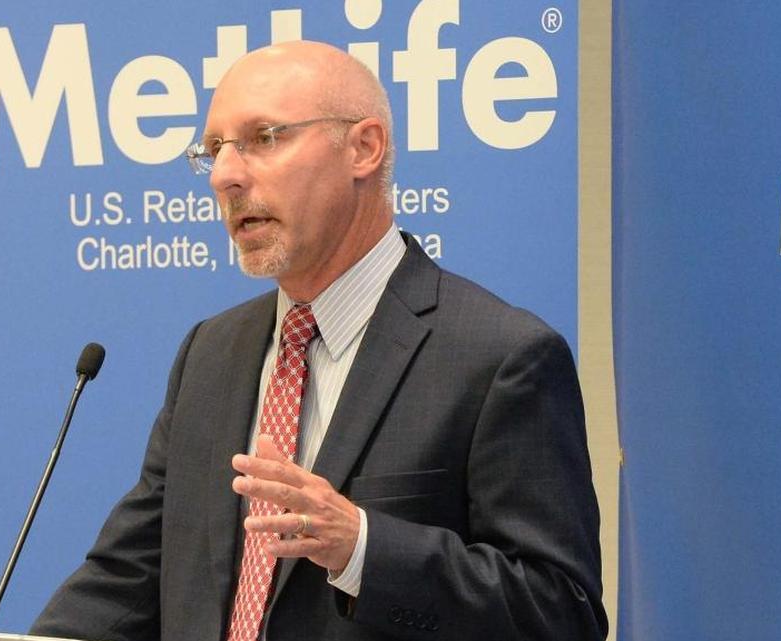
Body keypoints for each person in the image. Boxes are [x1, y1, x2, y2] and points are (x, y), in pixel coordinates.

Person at [31, 40, 607, 641]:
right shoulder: (211, 352)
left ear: (364, 148)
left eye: (264, 137)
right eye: (214, 150)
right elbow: (129, 577)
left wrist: (362, 546)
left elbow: (560, 613)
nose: (226, 175)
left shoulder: (500, 357)